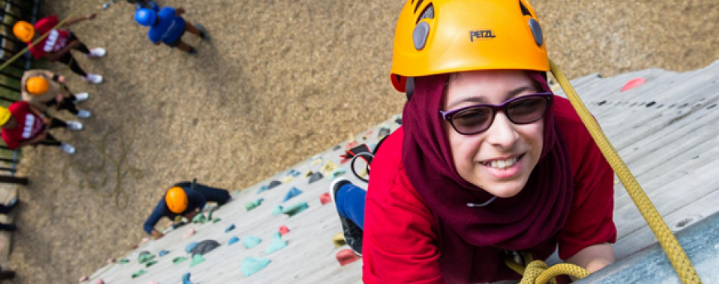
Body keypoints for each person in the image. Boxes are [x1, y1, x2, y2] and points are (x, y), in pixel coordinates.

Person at [330, 1, 616, 283]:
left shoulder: (575, 134)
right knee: (370, 210)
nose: (505, 137)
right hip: (414, 212)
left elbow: (589, 245)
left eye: (524, 105)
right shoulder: (398, 178)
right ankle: (343, 196)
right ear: (428, 119)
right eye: (469, 116)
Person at [13, 15, 105, 84]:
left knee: (81, 46)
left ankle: (89, 53)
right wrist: (70, 46)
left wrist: (85, 17)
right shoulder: (33, 48)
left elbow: (65, 23)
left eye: (34, 34)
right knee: (73, 65)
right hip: (61, 54)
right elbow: (52, 57)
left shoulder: (44, 23)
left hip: (66, 38)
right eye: (30, 38)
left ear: (32, 27)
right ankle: (86, 76)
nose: (35, 38)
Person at [144, 182, 231, 239]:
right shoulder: (162, 207)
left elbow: (202, 200)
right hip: (179, 211)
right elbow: (147, 225)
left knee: (223, 196)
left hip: (192, 193)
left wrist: (196, 210)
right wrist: (154, 232)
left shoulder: (190, 193)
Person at [0, 101, 83, 154]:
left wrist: (43, 116)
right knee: (50, 140)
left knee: (56, 122)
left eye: (10, 117)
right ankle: (60, 144)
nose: (12, 122)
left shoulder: (16, 108)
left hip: (42, 121)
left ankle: (67, 125)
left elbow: (29, 105)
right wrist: (36, 140)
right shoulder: (7, 137)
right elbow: (16, 145)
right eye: (7, 123)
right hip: (37, 137)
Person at [134, 6, 208, 54]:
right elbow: (178, 11)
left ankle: (191, 50)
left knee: (179, 45)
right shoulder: (166, 11)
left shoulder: (152, 34)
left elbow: (157, 43)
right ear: (152, 11)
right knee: (188, 25)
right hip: (180, 26)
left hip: (172, 39)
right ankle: (201, 34)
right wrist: (182, 10)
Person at [21, 70, 91, 119]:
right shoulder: (30, 100)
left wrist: (56, 77)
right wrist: (55, 101)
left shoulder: (28, 74)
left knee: (68, 93)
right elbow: (43, 107)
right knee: (68, 106)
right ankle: (76, 112)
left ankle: (74, 98)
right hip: (57, 101)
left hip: (58, 87)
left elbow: (43, 72)